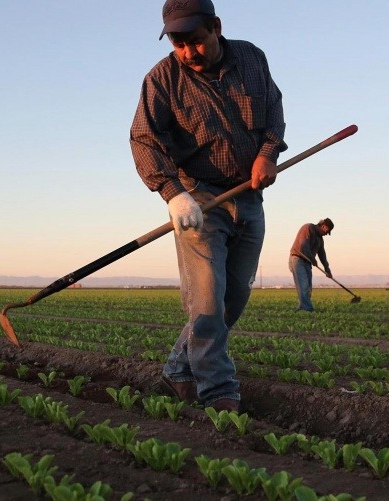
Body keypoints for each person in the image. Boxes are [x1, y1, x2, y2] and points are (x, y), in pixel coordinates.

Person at [130, 0, 286, 412]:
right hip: (198, 197)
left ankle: (179, 368)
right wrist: (172, 192)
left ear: (216, 27)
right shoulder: (162, 79)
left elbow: (273, 110)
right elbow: (143, 139)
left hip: (248, 195)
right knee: (206, 298)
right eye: (179, 44)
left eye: (195, 42)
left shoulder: (252, 59)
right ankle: (217, 390)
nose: (187, 53)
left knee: (233, 298)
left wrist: (267, 154)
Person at [288, 218, 334, 312]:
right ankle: (309, 310)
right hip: (297, 259)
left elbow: (322, 255)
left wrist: (327, 269)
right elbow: (303, 246)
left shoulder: (320, 239)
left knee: (308, 288)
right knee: (303, 286)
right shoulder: (308, 228)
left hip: (307, 262)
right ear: (323, 226)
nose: (326, 234)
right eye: (327, 231)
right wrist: (313, 259)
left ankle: (301, 308)